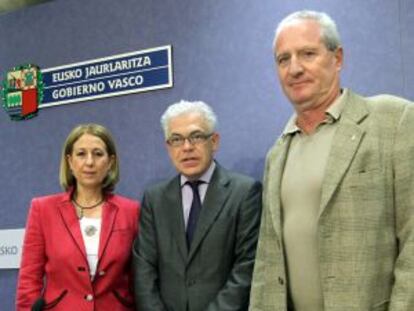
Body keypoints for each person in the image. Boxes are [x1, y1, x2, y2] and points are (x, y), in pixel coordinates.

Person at [249, 10, 414, 311]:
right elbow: (267, 260)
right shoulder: (278, 152)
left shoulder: (393, 120)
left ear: (337, 58)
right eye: (283, 59)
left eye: (307, 54)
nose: (294, 68)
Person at [133, 100, 262, 311]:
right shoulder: (154, 199)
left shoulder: (244, 192)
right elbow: (144, 269)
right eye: (176, 139)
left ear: (214, 141)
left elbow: (247, 267)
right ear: (168, 147)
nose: (186, 147)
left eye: (196, 137)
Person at [16, 123, 140, 311]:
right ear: (70, 162)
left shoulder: (131, 211)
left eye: (98, 154)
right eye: (81, 154)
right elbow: (29, 280)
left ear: (110, 162)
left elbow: (138, 279)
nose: (89, 162)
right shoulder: (43, 209)